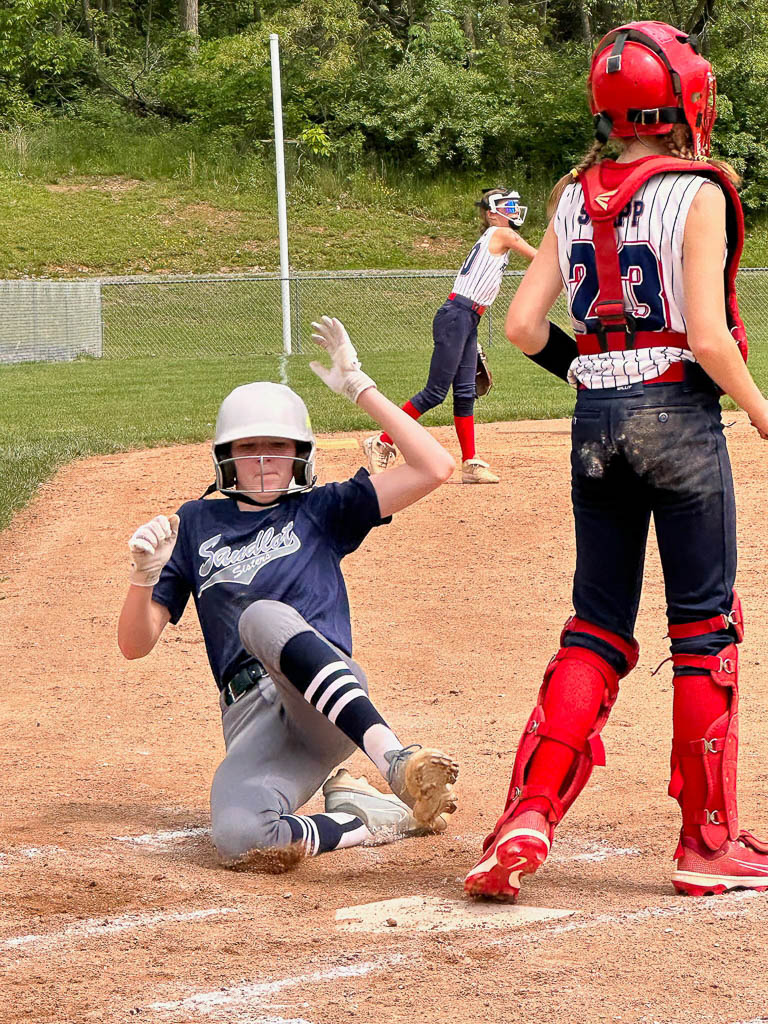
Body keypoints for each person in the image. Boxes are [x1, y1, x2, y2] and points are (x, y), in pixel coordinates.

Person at [464, 21, 768, 901]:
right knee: (704, 628)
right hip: (678, 416)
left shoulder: (568, 194)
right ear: (685, 105)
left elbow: (521, 329)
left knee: (596, 625)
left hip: (594, 423)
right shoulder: (698, 190)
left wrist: (596, 371)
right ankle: (707, 845)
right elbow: (707, 336)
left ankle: (525, 815)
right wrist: (757, 408)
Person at [117, 316, 458, 870]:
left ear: (301, 451)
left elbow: (436, 466)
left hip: (322, 700)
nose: (263, 460)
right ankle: (368, 819)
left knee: (261, 618)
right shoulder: (195, 523)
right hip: (251, 720)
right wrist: (142, 575)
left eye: (278, 446)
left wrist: (359, 386)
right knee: (239, 836)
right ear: (225, 455)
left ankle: (394, 760)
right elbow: (135, 645)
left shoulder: (322, 508)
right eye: (248, 447)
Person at [364, 189, 537, 484]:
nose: (513, 210)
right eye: (506, 205)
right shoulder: (500, 232)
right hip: (457, 315)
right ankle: (381, 441)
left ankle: (470, 463)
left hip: (468, 318)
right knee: (434, 393)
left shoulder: (497, 235)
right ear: (491, 213)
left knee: (466, 392)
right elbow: (539, 256)